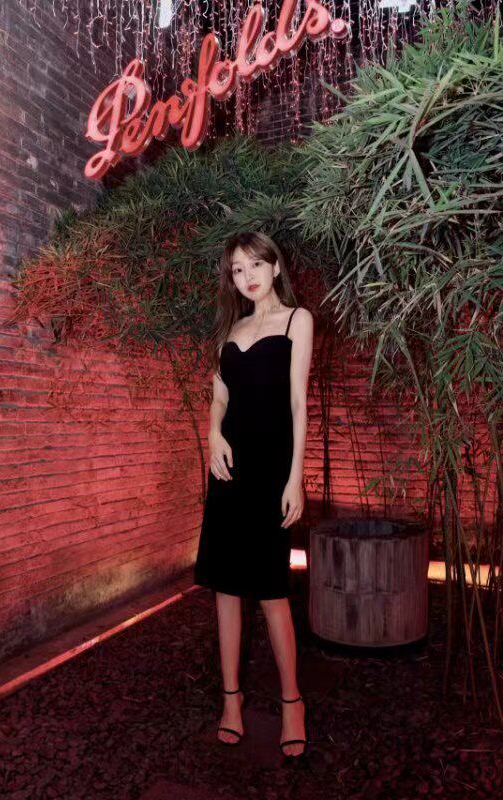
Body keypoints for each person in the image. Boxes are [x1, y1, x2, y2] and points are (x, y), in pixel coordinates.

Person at [194, 231, 313, 760]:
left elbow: (298, 404)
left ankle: (292, 703)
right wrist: (212, 435)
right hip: (228, 470)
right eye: (237, 270)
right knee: (225, 589)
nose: (247, 277)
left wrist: (295, 478)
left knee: (271, 592)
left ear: (274, 267)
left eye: (255, 265)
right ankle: (231, 700)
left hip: (271, 470)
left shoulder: (296, 320)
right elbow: (218, 397)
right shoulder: (229, 329)